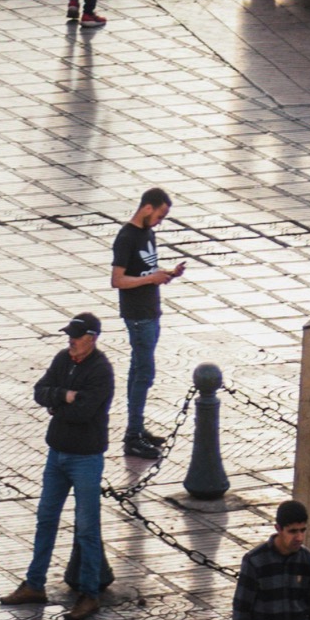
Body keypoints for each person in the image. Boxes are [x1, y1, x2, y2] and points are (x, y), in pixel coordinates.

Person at [0, 316, 114, 619]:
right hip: (57, 454)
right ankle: (34, 584)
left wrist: (56, 406)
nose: (70, 341)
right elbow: (40, 390)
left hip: (86, 458)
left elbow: (84, 412)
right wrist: (64, 396)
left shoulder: (101, 370)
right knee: (46, 518)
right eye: (69, 336)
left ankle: (89, 594)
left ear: (92, 338)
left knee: (87, 528)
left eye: (76, 336)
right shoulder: (63, 359)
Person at [110, 185, 183, 457]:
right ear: (147, 207)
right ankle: (133, 435)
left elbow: (145, 270)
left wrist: (167, 274)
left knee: (139, 371)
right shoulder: (126, 237)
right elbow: (117, 280)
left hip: (151, 311)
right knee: (144, 373)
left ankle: (137, 428)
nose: (159, 222)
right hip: (138, 316)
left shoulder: (148, 233)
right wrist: (152, 278)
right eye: (159, 216)